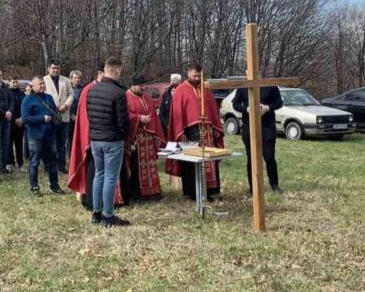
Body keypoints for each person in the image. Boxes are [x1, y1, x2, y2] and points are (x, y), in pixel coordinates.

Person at [166, 63, 224, 201]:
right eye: (194, 75)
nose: (197, 78)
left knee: (209, 158)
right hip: (190, 132)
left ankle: (211, 191)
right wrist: (181, 132)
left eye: (199, 75)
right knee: (192, 161)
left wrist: (215, 128)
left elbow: (213, 111)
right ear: (188, 74)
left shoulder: (205, 89)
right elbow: (177, 114)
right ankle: (192, 192)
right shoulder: (181, 90)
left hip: (207, 131)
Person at [87, 58, 130, 227]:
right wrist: (124, 135)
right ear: (117, 70)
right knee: (111, 178)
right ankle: (108, 216)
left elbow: (90, 115)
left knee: (99, 175)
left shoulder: (92, 90)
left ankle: (96, 214)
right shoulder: (118, 92)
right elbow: (123, 121)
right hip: (112, 140)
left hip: (95, 139)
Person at [121, 74, 165, 204]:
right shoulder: (126, 96)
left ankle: (152, 192)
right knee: (136, 167)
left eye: (144, 85)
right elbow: (125, 115)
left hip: (148, 138)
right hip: (135, 138)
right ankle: (137, 193)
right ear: (133, 86)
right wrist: (138, 118)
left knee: (150, 166)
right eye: (140, 86)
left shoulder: (146, 96)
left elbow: (152, 111)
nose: (143, 88)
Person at [232, 85, 284, 194]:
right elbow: (235, 104)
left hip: (267, 125)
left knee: (269, 156)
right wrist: (246, 109)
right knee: (251, 157)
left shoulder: (270, 85)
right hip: (249, 125)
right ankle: (253, 187)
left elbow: (279, 102)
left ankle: (274, 184)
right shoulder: (243, 86)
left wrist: (267, 107)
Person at [68, 64, 106, 210]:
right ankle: (89, 199)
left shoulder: (100, 88)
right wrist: (88, 138)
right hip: (92, 137)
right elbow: (85, 117)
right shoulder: (89, 90)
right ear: (100, 73)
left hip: (102, 136)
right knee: (92, 168)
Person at [20, 76, 62, 195]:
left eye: (43, 83)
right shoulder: (27, 100)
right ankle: (34, 187)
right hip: (35, 136)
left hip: (49, 135)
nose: (42, 86)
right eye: (40, 84)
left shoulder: (48, 97)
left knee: (52, 161)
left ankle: (54, 186)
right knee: (34, 162)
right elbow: (25, 119)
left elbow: (54, 112)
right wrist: (42, 118)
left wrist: (55, 121)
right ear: (33, 86)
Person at [43, 61, 75, 173]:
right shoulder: (44, 80)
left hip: (64, 115)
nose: (55, 70)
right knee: (50, 143)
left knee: (62, 144)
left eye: (57, 68)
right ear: (48, 68)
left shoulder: (66, 80)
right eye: (53, 68)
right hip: (50, 116)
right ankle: (49, 166)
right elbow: (42, 96)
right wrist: (52, 107)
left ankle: (61, 166)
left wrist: (66, 105)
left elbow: (72, 95)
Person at [8, 79, 26, 171]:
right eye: (13, 82)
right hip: (11, 122)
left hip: (20, 121)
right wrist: (14, 119)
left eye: (16, 82)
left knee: (19, 144)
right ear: (9, 82)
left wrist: (22, 118)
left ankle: (20, 163)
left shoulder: (21, 93)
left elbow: (25, 106)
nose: (15, 84)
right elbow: (9, 107)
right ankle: (10, 163)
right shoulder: (7, 93)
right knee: (9, 144)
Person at [68, 70, 84, 151]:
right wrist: (72, 115)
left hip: (81, 116)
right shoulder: (68, 89)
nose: (77, 80)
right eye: (75, 78)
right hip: (70, 117)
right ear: (71, 79)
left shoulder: (84, 89)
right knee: (70, 139)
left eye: (78, 78)